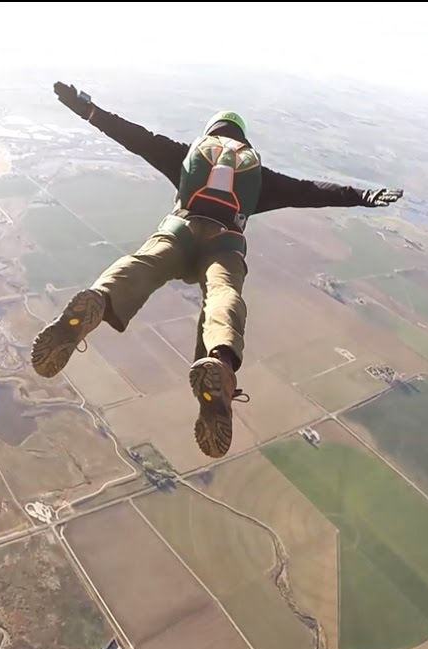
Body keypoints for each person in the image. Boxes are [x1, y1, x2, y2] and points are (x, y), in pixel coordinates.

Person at [31, 82, 405, 459]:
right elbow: (312, 191)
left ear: (211, 133)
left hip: (180, 229)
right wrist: (363, 196)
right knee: (224, 294)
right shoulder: (257, 176)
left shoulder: (190, 156)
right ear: (243, 137)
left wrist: (87, 109)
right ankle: (219, 365)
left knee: (143, 265)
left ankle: (99, 299)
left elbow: (133, 136)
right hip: (225, 242)